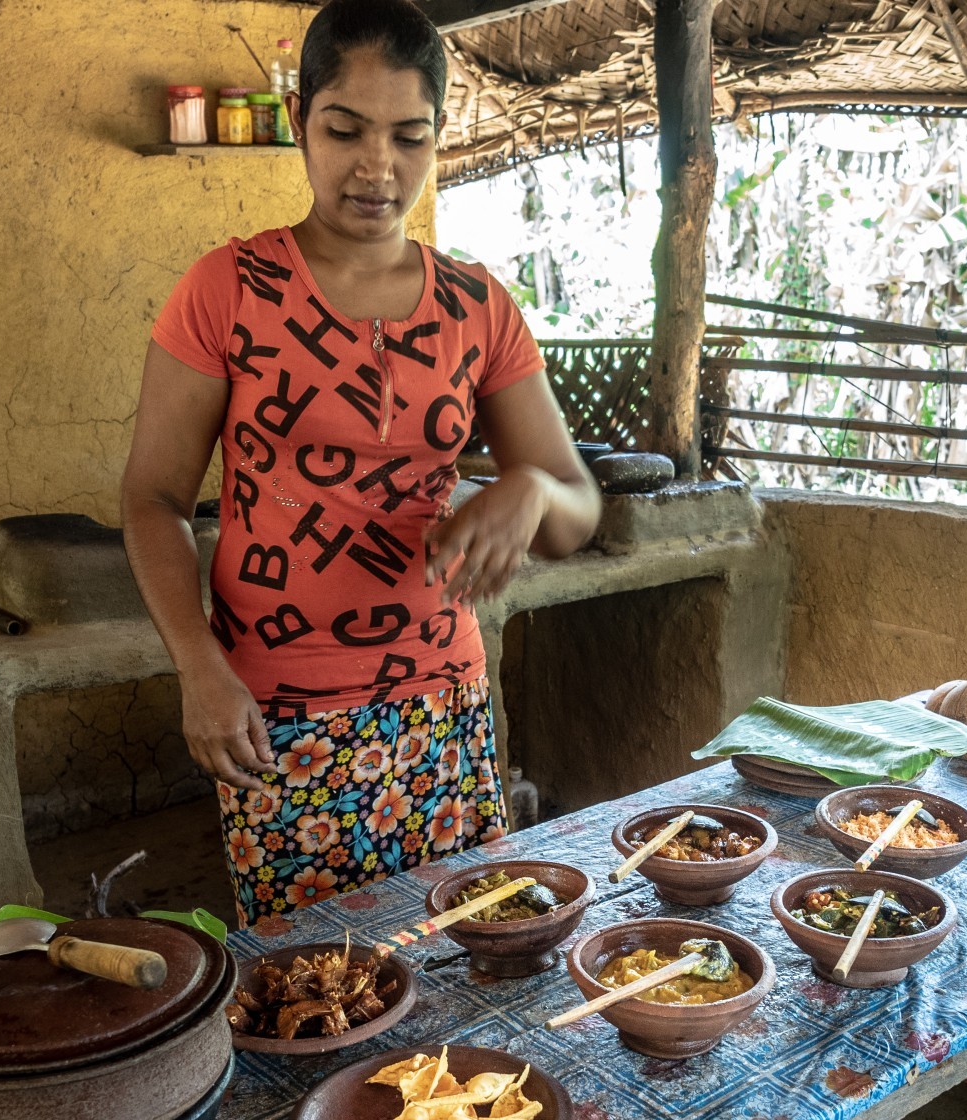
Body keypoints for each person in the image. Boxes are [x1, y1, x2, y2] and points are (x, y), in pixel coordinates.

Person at [121, 0, 601, 926]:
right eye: (345, 129)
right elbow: (151, 499)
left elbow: (580, 507)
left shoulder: (475, 306)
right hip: (274, 711)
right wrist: (199, 664)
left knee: (466, 958)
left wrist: (532, 489)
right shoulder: (228, 290)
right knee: (319, 989)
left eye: (408, 137)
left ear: (437, 138)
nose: (378, 167)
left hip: (443, 700)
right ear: (301, 117)